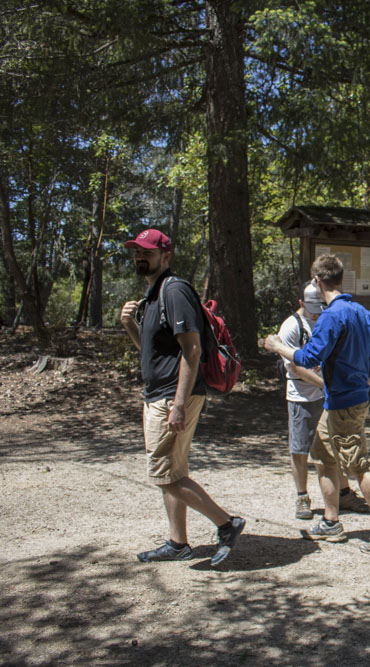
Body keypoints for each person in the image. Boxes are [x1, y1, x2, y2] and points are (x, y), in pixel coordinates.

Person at [264, 254, 370, 554]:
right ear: (342, 279)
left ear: (317, 282)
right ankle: (331, 522)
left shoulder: (331, 316)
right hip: (345, 403)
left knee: (358, 465)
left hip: (343, 405)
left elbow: (308, 358)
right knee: (322, 451)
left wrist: (279, 347)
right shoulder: (362, 313)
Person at [118, 228, 244, 566]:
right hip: (158, 394)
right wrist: (130, 325)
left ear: (166, 256)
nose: (139, 257)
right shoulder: (153, 295)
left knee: (164, 473)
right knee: (174, 470)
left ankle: (227, 524)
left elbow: (192, 351)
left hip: (172, 396)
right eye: (136, 252)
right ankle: (178, 542)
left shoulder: (174, 291)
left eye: (146, 252)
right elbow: (154, 354)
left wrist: (177, 405)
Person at [276, 282, 368, 520]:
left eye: (320, 307)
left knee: (333, 446)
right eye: (312, 308)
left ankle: (344, 492)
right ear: (301, 304)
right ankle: (302, 496)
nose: (317, 313)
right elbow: (295, 368)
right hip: (303, 398)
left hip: (329, 397)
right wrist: (326, 386)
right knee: (300, 447)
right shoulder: (291, 327)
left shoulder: (329, 318)